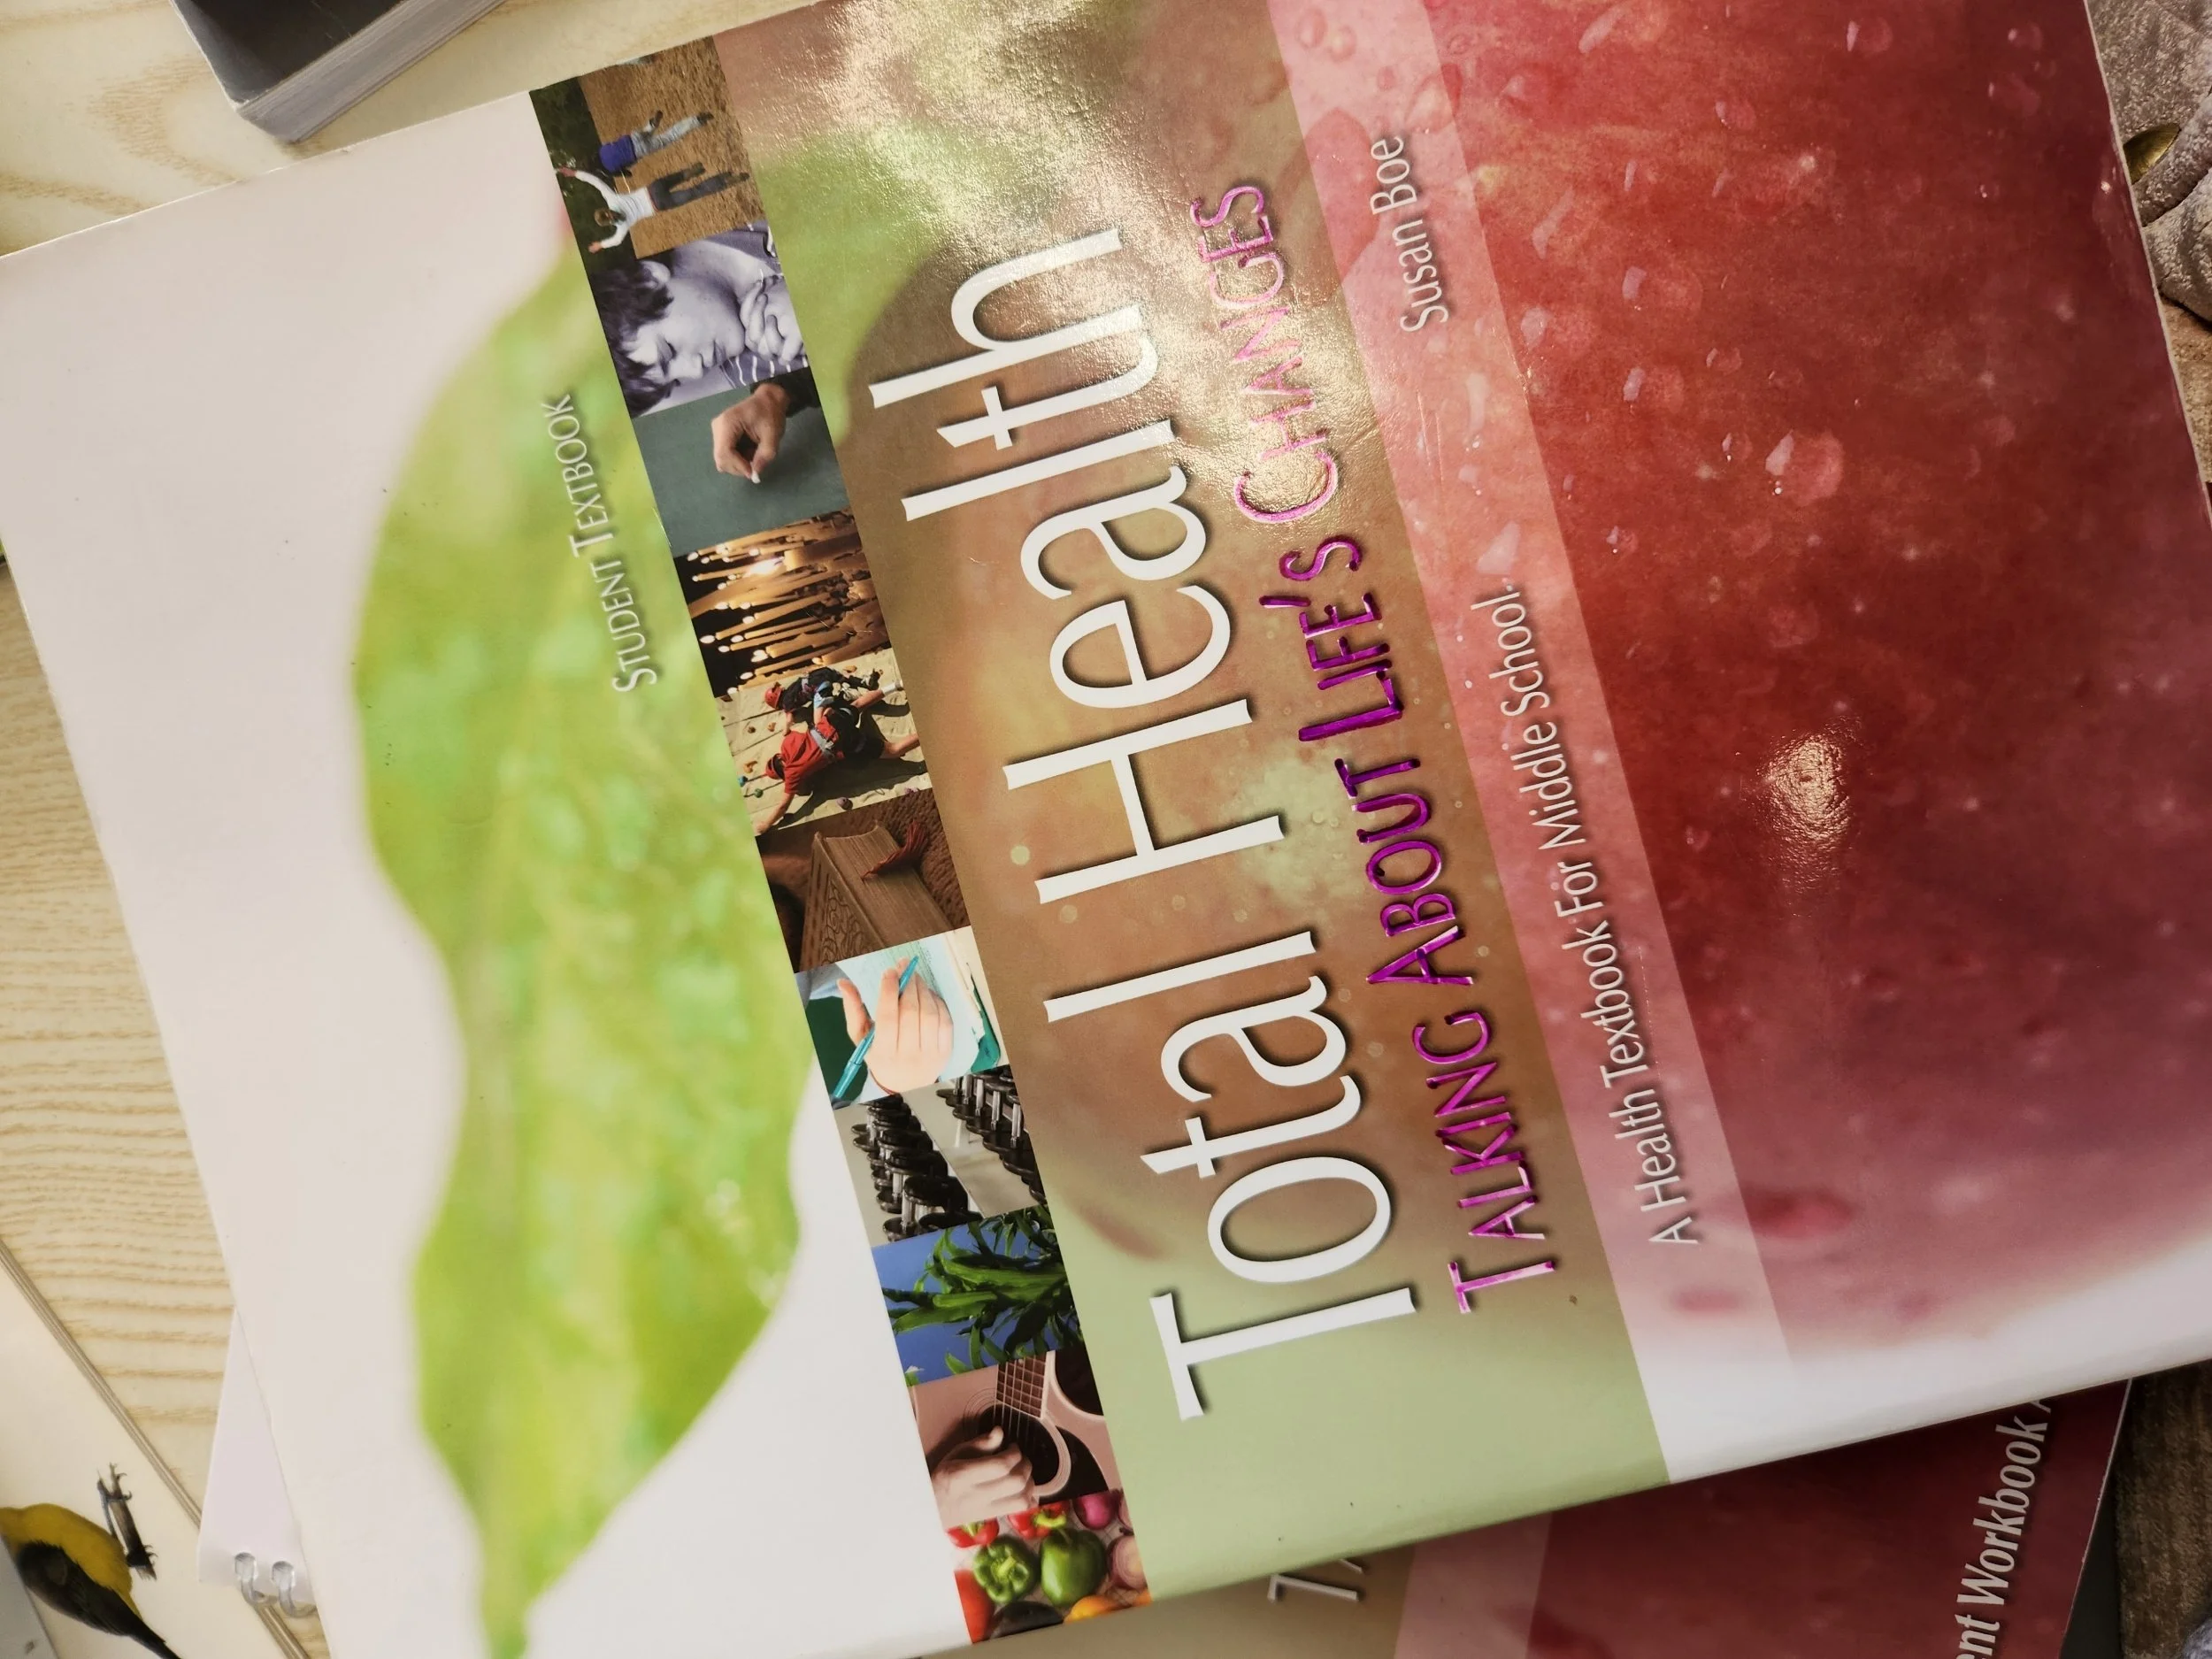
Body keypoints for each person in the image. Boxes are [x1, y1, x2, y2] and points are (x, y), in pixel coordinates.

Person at [588, 227, 807, 414]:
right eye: (675, 383)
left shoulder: (747, 212)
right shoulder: (754, 369)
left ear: (649, 278)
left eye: (669, 351)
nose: (696, 371)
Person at [752, 683, 919, 834]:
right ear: (778, 757)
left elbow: (783, 806)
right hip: (832, 721)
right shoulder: (787, 743)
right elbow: (794, 734)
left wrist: (766, 824)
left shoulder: (792, 775)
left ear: (782, 775)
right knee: (858, 705)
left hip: (844, 740)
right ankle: (895, 685)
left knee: (893, 750)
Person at [557, 164, 744, 253]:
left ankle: (727, 180)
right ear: (604, 209)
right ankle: (698, 169)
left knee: (696, 192)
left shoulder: (622, 226)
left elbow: (616, 241)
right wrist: (574, 173)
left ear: (608, 222)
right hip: (654, 189)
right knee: (681, 176)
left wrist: (600, 245)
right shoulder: (611, 199)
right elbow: (595, 181)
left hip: (660, 204)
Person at [595, 110, 712, 177]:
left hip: (638, 152)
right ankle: (652, 125)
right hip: (632, 138)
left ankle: (696, 121)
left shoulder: (607, 171)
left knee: (669, 137)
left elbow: (627, 174)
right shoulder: (601, 150)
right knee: (646, 132)